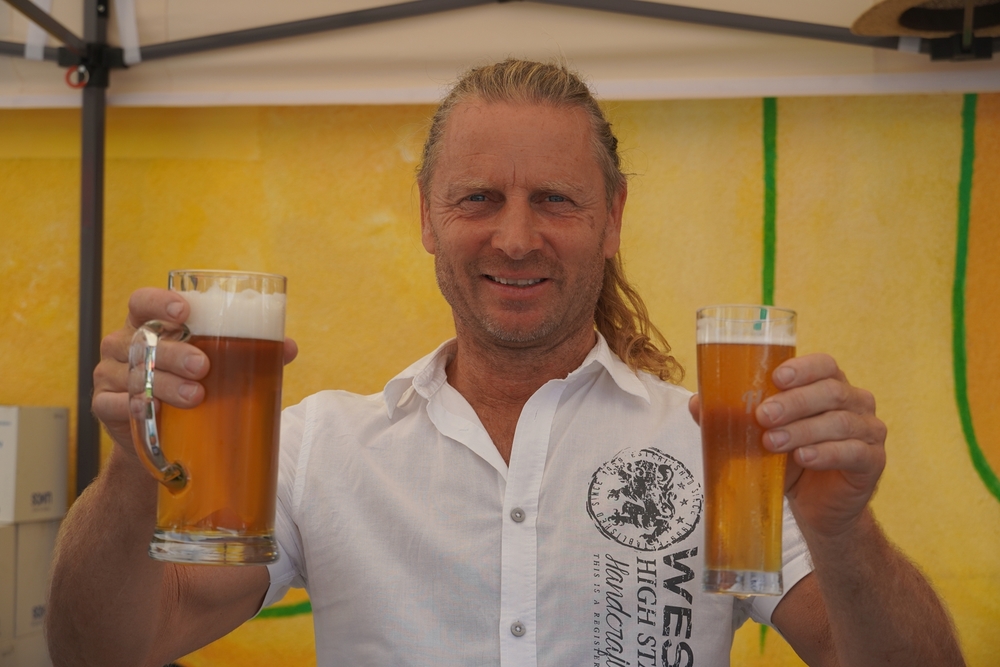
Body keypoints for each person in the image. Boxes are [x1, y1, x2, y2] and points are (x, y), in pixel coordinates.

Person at [46, 59, 965, 667]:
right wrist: (132, 466)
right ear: (425, 214)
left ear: (613, 218)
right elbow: (101, 649)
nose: (516, 237)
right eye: (479, 197)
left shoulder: (722, 448)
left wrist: (846, 532)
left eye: (555, 200)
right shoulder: (321, 447)